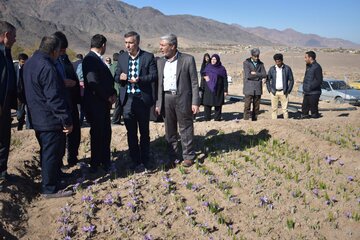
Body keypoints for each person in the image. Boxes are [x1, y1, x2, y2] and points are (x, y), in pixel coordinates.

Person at [23, 35, 73, 198]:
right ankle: (49, 188)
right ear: (54, 51)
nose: (59, 54)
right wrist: (66, 119)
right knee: (50, 153)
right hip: (49, 118)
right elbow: (54, 97)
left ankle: (55, 177)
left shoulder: (30, 62)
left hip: (37, 116)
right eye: (58, 51)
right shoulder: (47, 67)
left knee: (50, 151)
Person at [155, 34, 200, 167]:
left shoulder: (188, 59)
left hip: (183, 98)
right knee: (170, 129)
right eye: (160, 45)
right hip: (166, 98)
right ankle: (172, 156)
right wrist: (158, 103)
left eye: (163, 45)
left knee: (186, 127)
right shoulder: (160, 62)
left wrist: (195, 102)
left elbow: (194, 83)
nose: (160, 48)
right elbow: (159, 84)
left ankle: (188, 155)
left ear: (173, 46)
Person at [114, 31, 157, 170]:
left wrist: (140, 80)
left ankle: (145, 159)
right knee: (131, 132)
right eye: (126, 42)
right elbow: (115, 77)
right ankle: (134, 159)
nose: (128, 45)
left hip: (142, 99)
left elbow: (154, 76)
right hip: (127, 101)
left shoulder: (148, 57)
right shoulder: (121, 58)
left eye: (130, 42)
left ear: (137, 42)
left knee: (144, 132)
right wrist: (119, 77)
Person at [82, 34, 116, 173]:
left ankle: (103, 160)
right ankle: (97, 163)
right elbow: (93, 82)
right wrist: (107, 96)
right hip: (96, 104)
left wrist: (112, 92)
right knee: (98, 134)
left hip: (101, 104)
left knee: (104, 133)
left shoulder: (96, 59)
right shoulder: (90, 59)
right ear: (103, 45)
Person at [53, 31, 81, 168]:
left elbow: (73, 77)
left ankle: (73, 158)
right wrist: (62, 83)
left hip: (71, 101)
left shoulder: (65, 60)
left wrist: (74, 84)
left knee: (74, 132)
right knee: (60, 135)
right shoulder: (50, 61)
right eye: (61, 50)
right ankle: (59, 162)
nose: (63, 52)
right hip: (59, 104)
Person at [0, 21, 17, 191]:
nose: (15, 39)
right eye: (13, 36)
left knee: (4, 140)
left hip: (5, 108)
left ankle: (2, 172)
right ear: (6, 35)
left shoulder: (6, 53)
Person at [266, 53, 294, 119]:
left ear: (282, 60)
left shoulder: (287, 69)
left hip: (284, 92)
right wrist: (270, 90)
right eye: (276, 61)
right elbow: (268, 80)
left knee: (285, 109)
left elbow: (291, 80)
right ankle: (274, 123)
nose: (278, 63)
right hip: (274, 92)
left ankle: (286, 121)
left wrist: (288, 90)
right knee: (274, 109)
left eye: (279, 61)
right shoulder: (272, 69)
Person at [201, 54, 228, 121]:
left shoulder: (222, 68)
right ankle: (207, 118)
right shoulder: (208, 67)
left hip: (218, 89)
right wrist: (204, 77)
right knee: (207, 104)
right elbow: (202, 73)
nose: (213, 61)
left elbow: (225, 79)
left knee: (218, 104)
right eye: (212, 59)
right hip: (208, 88)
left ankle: (217, 118)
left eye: (215, 59)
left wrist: (225, 90)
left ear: (218, 60)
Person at [243, 48, 267, 121]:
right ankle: (246, 119)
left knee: (256, 105)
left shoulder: (261, 64)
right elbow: (248, 75)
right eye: (255, 56)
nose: (256, 58)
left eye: (258, 56)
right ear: (251, 55)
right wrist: (259, 76)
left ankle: (254, 119)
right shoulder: (246, 63)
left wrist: (256, 73)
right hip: (249, 87)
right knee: (247, 105)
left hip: (257, 87)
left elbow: (264, 74)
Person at [301, 51, 323, 119]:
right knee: (304, 109)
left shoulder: (317, 67)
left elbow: (319, 80)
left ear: (310, 58)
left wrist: (310, 87)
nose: (304, 59)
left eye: (306, 57)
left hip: (314, 93)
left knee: (314, 111)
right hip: (307, 92)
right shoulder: (308, 66)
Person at [14, 53, 29, 130]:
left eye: (25, 62)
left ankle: (28, 128)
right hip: (18, 94)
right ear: (19, 61)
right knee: (20, 112)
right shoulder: (14, 68)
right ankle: (20, 126)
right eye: (23, 62)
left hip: (27, 93)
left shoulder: (29, 69)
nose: (24, 64)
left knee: (29, 112)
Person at [111, 52, 123, 125]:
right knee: (118, 105)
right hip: (118, 88)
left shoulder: (111, 66)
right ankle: (115, 120)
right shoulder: (117, 66)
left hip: (113, 87)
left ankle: (117, 120)